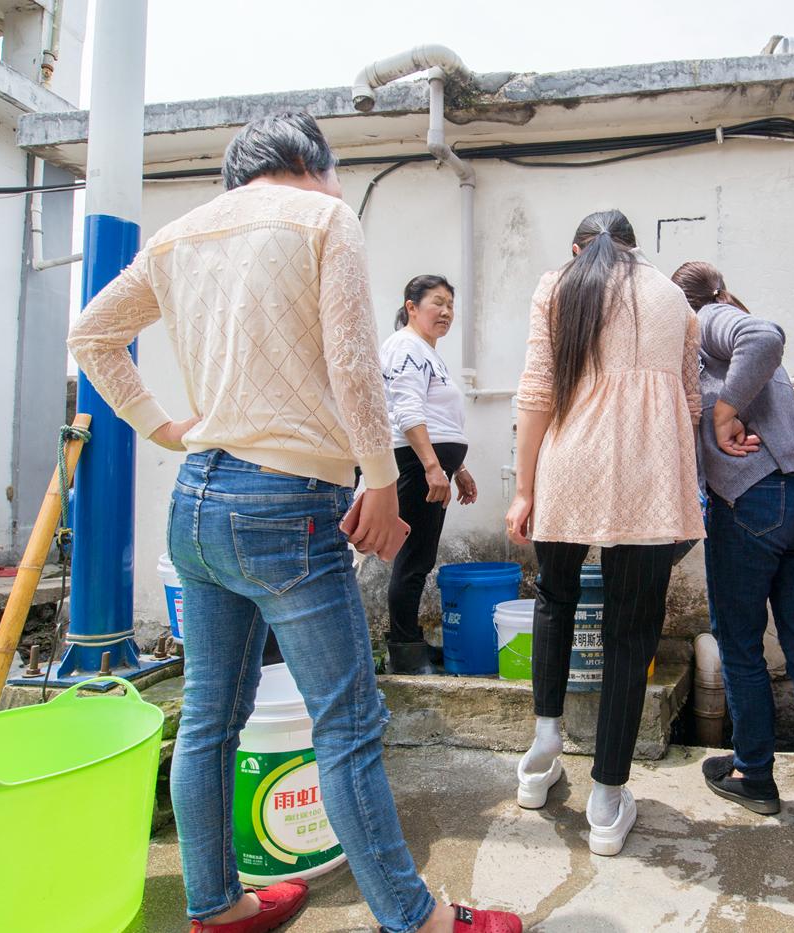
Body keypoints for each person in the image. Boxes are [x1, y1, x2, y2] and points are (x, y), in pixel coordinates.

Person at [68, 111, 520, 933]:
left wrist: (162, 426)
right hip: (285, 506)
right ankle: (415, 919)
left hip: (195, 501)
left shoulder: (178, 235)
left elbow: (91, 335)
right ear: (313, 161)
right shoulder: (324, 218)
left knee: (208, 717)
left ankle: (215, 903)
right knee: (346, 721)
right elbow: (352, 358)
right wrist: (380, 477)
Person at [506, 209, 705, 857]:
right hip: (648, 469)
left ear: (578, 247)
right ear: (634, 248)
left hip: (568, 463)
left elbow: (536, 390)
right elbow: (691, 403)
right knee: (630, 627)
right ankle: (609, 794)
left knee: (555, 598)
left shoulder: (556, 284)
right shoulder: (674, 295)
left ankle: (542, 748)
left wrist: (525, 487)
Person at [670, 260, 794, 834]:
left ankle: (755, 775)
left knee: (742, 645)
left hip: (754, 498)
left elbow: (766, 333)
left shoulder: (710, 322)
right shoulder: (730, 342)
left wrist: (722, 411)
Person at [380, 274, 478, 675]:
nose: (446, 312)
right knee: (413, 559)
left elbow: (438, 417)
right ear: (411, 307)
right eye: (437, 303)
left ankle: (411, 642)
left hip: (432, 464)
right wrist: (434, 466)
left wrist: (459, 469)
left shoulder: (424, 351)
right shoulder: (405, 347)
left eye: (450, 305)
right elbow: (407, 412)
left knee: (418, 556)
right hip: (417, 466)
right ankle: (405, 652)